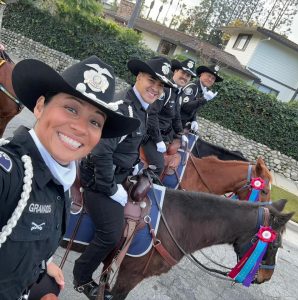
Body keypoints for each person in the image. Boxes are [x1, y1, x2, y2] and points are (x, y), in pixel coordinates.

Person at [0, 55, 140, 300]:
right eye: (71, 108)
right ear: (41, 106)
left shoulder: (60, 183)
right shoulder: (8, 172)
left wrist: (40, 266)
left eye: (95, 121)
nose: (81, 127)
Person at [72, 56, 174, 300]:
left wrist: (137, 168)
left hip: (117, 175)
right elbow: (100, 152)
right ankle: (82, 276)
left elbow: (126, 149)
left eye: (161, 86)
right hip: (97, 180)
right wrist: (110, 189)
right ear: (138, 77)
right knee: (112, 231)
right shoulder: (122, 109)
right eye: (152, 80)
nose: (156, 89)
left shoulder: (143, 111)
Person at [142, 58, 197, 176]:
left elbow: (176, 116)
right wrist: (158, 140)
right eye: (182, 73)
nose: (185, 77)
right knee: (158, 166)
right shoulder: (165, 90)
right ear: (175, 71)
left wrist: (181, 133)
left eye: (188, 76)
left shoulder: (177, 92)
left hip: (165, 135)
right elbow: (152, 115)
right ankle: (133, 187)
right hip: (150, 135)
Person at [180, 64, 223, 132]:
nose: (210, 79)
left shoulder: (203, 90)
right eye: (209, 76)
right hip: (175, 123)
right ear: (202, 74)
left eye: (213, 78)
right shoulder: (193, 87)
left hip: (183, 124)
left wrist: (194, 120)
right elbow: (184, 106)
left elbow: (194, 109)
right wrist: (203, 99)